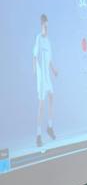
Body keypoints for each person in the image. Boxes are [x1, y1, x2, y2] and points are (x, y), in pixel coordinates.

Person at [33, 13, 59, 147]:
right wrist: (35, 71)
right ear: (41, 25)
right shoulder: (38, 39)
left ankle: (49, 127)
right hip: (41, 78)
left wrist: (54, 70)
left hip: (47, 77)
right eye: (45, 26)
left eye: (48, 27)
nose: (46, 29)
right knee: (41, 105)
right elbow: (34, 56)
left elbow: (49, 60)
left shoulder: (48, 42)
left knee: (52, 97)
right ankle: (38, 135)